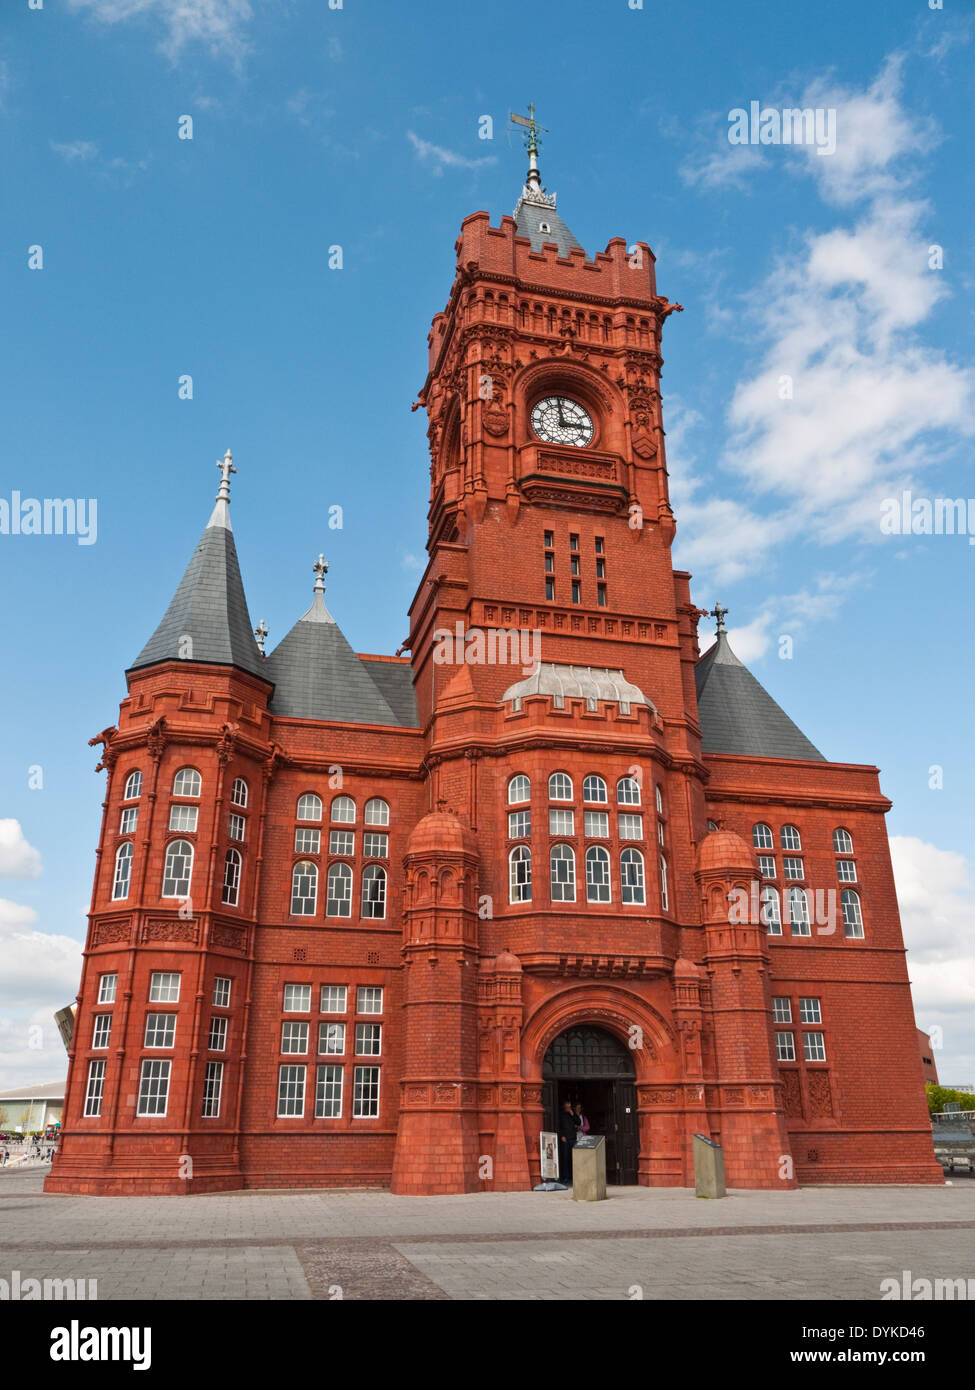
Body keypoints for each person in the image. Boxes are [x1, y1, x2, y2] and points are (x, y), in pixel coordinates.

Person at [557, 1100, 577, 1184]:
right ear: (564, 1106)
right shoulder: (561, 1115)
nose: (568, 1107)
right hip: (565, 1139)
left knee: (573, 1158)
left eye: (570, 1106)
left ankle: (574, 1177)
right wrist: (561, 1136)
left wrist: (572, 1113)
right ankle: (566, 1177)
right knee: (565, 1158)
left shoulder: (572, 1114)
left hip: (573, 1138)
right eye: (567, 1106)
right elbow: (558, 1126)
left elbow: (578, 1122)